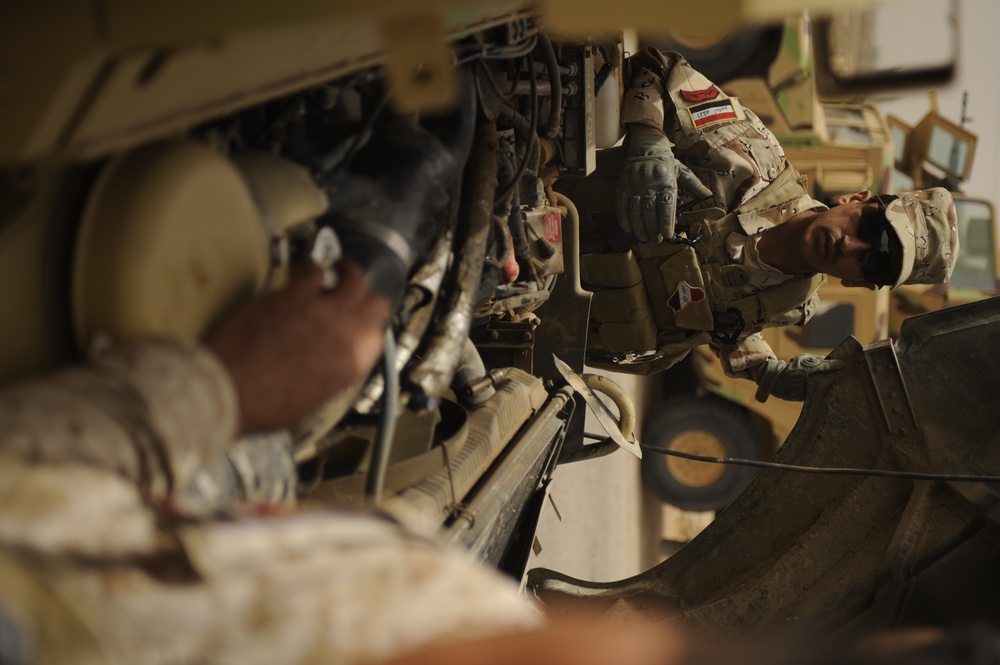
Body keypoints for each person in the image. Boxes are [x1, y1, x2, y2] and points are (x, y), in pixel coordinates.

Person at [570, 48, 960, 402]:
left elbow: (726, 320)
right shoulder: (750, 157)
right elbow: (657, 64)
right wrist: (648, 138)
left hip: (549, 324)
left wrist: (763, 370)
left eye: (874, 263)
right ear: (855, 198)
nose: (852, 246)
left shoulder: (792, 304)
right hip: (532, 211)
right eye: (871, 229)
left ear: (860, 283)